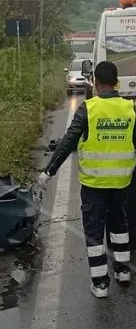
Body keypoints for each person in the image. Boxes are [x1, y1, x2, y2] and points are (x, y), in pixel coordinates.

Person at [40, 60, 136, 298]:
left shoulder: (89, 108)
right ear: (115, 83)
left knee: (94, 232)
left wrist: (48, 171)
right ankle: (123, 271)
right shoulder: (130, 109)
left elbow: (68, 142)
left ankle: (101, 283)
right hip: (122, 183)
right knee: (120, 226)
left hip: (94, 185)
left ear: (95, 82)